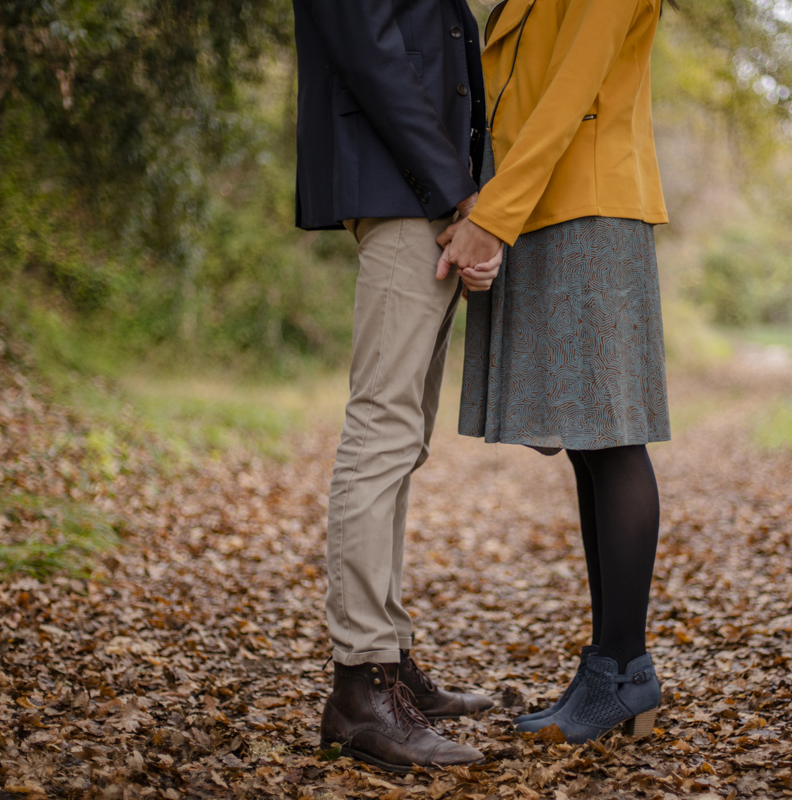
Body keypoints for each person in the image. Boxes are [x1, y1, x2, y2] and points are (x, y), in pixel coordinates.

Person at [438, 0, 671, 744]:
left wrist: (492, 215)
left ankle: (623, 674)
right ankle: (613, 672)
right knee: (589, 442)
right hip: (550, 205)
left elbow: (568, 96)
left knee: (610, 438)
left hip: (588, 207)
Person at [292, 0, 503, 772]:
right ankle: (360, 687)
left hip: (416, 186)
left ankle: (389, 661)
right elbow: (374, 55)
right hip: (402, 188)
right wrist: (458, 192)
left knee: (402, 437)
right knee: (382, 431)